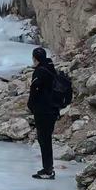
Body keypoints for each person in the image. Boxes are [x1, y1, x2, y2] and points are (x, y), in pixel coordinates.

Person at [28, 47, 59, 180]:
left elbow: (34, 90)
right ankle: (48, 168)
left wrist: (30, 105)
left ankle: (48, 170)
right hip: (53, 109)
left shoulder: (40, 72)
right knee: (46, 139)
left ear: (36, 58)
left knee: (44, 139)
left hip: (43, 110)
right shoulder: (50, 67)